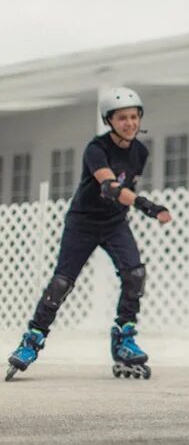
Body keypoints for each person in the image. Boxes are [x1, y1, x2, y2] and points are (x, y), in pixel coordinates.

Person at [6, 87, 171, 381]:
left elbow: (126, 185)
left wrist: (135, 204)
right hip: (82, 222)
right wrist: (147, 206)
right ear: (109, 120)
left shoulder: (140, 152)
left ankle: (123, 340)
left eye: (134, 117)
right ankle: (31, 341)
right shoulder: (96, 149)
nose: (130, 123)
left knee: (134, 274)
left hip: (115, 223)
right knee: (61, 283)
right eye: (122, 118)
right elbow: (110, 187)